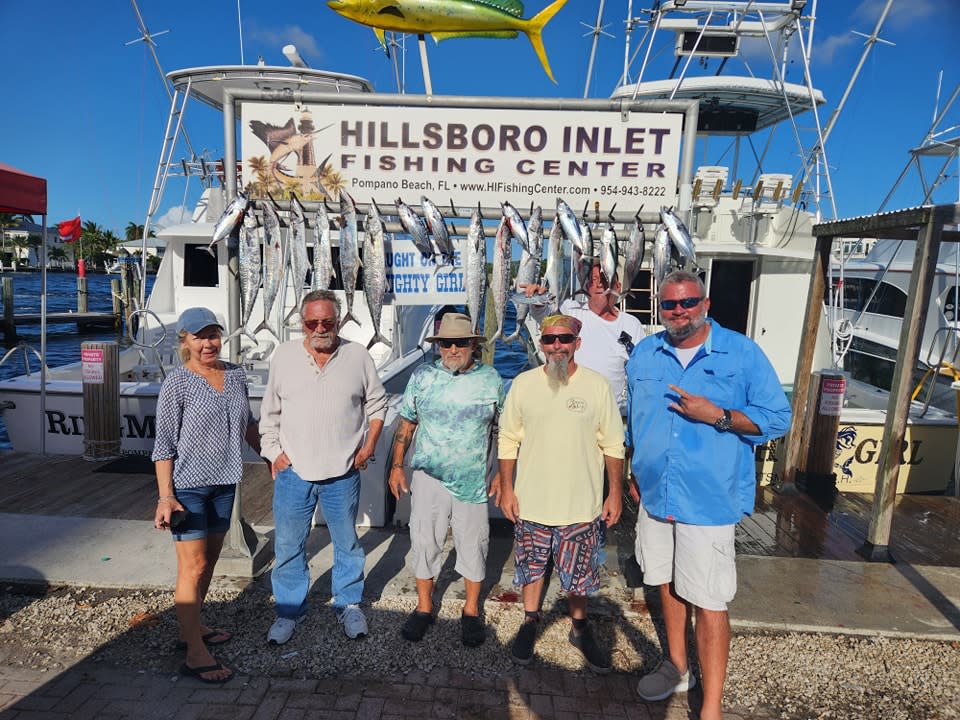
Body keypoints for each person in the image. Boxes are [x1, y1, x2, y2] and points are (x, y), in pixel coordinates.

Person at [625, 270, 791, 720]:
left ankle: (712, 707)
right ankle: (678, 667)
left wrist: (717, 415)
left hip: (708, 499)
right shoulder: (644, 353)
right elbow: (635, 421)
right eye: (670, 305)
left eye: (688, 302)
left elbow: (777, 418)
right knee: (665, 582)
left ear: (706, 303)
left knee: (710, 600)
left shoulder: (742, 352)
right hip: (655, 496)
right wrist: (631, 469)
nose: (679, 312)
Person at [496, 313, 625, 674]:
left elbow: (613, 443)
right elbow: (508, 439)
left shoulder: (597, 386)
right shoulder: (522, 384)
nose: (557, 347)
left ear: (577, 344)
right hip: (532, 501)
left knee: (580, 575)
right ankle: (530, 621)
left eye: (564, 339)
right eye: (549, 340)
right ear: (541, 345)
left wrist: (614, 494)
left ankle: (580, 629)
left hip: (581, 505)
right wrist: (507, 488)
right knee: (532, 569)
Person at [259, 289, 386, 645]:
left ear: (338, 321)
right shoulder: (283, 356)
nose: (319, 328)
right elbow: (268, 414)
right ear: (302, 323)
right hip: (294, 473)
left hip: (343, 472)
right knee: (288, 545)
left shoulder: (357, 356)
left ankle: (348, 603)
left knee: (347, 542)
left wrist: (369, 445)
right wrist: (274, 454)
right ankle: (288, 611)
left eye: (326, 322)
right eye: (312, 322)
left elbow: (377, 405)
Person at [152, 307, 260, 685]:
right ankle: (195, 654)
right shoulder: (177, 383)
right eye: (199, 336)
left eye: (213, 334)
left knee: (210, 562)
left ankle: (191, 629)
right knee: (192, 567)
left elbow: (248, 425)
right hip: (189, 489)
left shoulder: (234, 375)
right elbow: (163, 444)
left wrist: (275, 455)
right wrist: (166, 497)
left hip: (225, 483)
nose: (208, 343)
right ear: (185, 341)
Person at [388, 312, 504, 647]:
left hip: (473, 479)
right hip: (428, 476)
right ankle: (424, 607)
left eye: (461, 342)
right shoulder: (422, 376)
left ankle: (470, 611)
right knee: (425, 540)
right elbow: (407, 423)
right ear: (438, 346)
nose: (453, 349)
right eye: (446, 343)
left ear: (473, 345)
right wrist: (397, 466)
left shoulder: (491, 378)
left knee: (475, 542)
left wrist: (502, 476)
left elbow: (505, 431)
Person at [525, 263, 645, 413]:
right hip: (567, 410)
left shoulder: (631, 324)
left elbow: (641, 371)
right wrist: (537, 300)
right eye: (594, 279)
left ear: (618, 286)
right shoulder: (571, 309)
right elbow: (543, 315)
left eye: (605, 278)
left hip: (609, 414)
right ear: (588, 287)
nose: (600, 283)